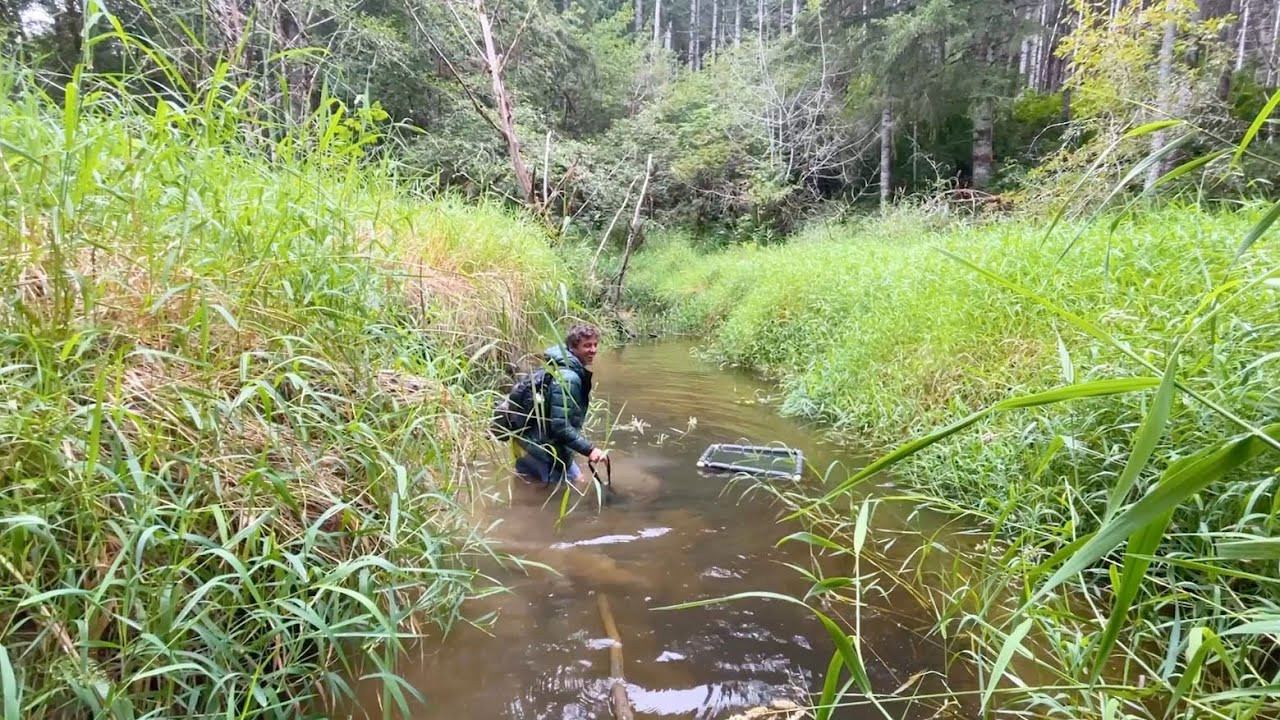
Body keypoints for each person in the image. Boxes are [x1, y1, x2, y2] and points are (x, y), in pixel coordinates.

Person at [514, 324, 608, 485]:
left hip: (528, 443)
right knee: (569, 490)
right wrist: (590, 450)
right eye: (587, 345)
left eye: (595, 344)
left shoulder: (558, 365)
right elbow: (560, 426)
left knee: (530, 490)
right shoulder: (569, 378)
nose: (593, 350)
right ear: (572, 347)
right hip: (545, 451)